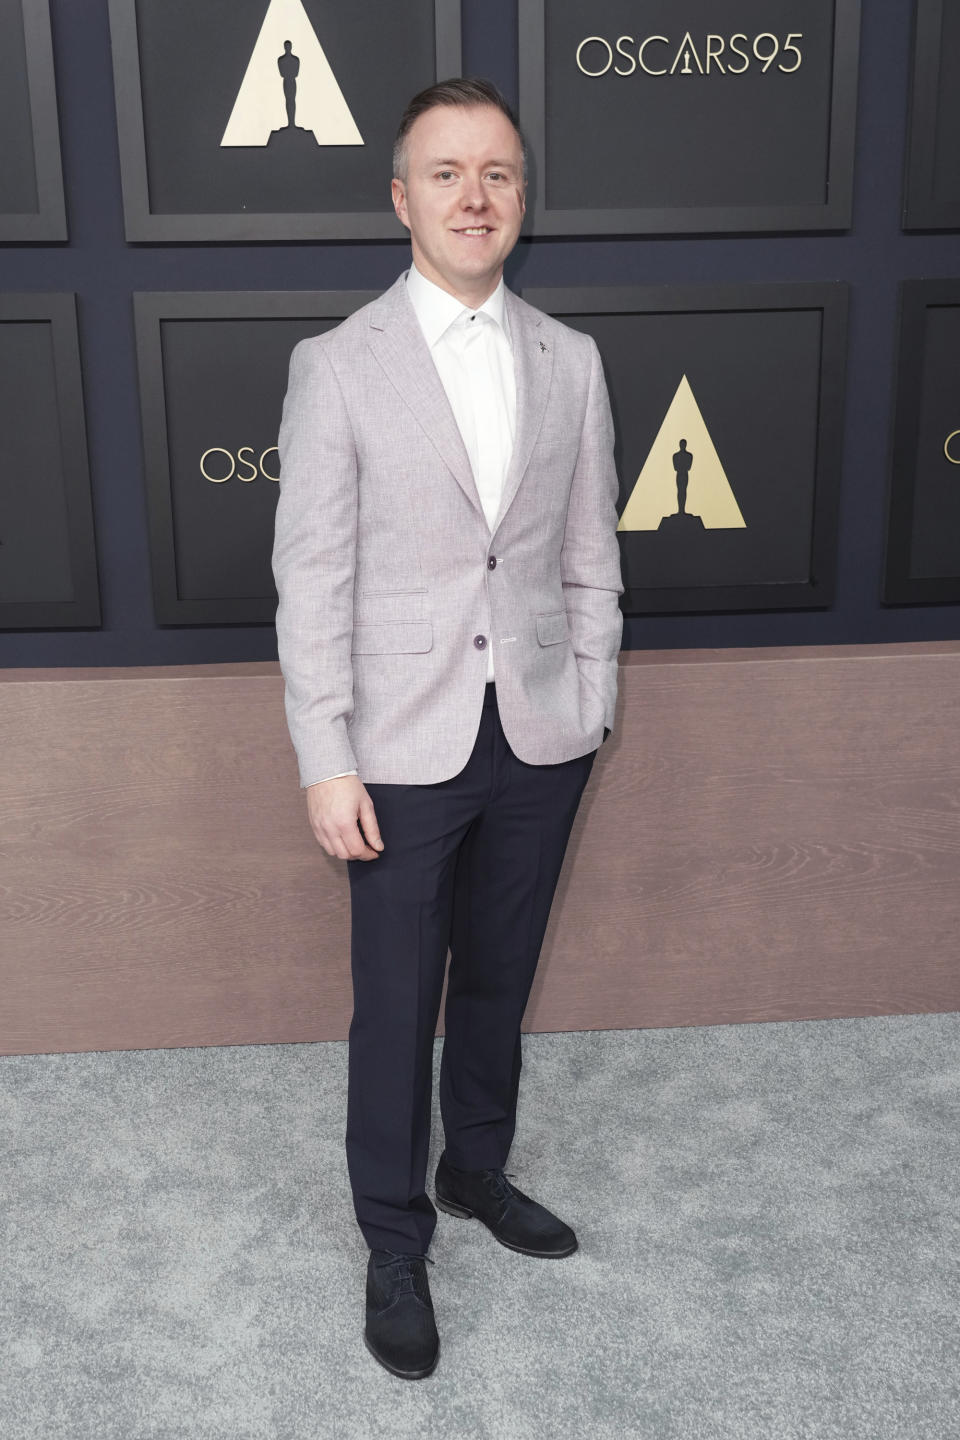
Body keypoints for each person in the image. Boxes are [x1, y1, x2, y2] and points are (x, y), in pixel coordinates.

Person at [271, 77, 623, 1380]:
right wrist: (326, 756)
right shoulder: (339, 366)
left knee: (499, 975)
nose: (476, 196)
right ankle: (391, 1232)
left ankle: (476, 1168)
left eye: (500, 173)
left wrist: (593, 702)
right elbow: (313, 579)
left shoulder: (571, 362)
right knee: (395, 999)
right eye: (448, 173)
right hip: (401, 745)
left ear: (521, 196)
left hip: (539, 733)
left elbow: (589, 557)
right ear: (402, 198)